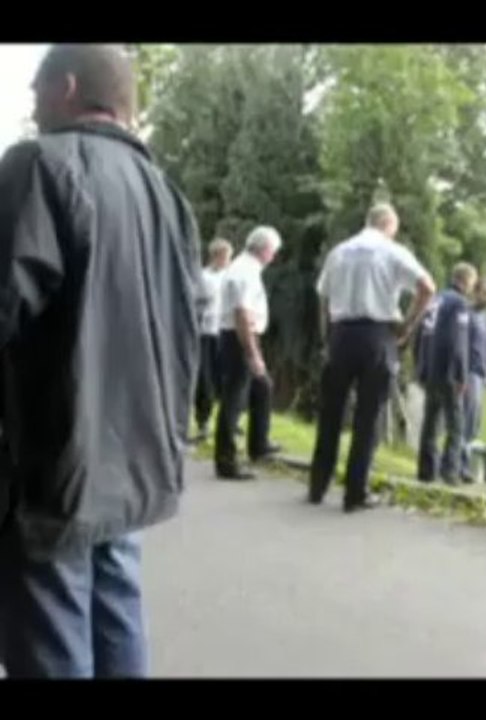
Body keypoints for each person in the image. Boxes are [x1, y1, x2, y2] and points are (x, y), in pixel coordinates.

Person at [0, 45, 201, 678]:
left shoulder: (39, 165)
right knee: (118, 623)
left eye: (35, 89)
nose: (30, 104)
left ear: (65, 86)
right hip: (134, 461)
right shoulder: (168, 197)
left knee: (51, 643)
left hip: (50, 463)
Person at [309, 203, 435, 513]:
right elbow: (427, 287)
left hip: (341, 334)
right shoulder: (392, 251)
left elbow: (323, 296)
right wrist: (406, 326)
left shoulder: (339, 251)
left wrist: (328, 337)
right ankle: (355, 492)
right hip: (376, 334)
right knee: (368, 418)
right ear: (389, 225)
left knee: (331, 414)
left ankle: (318, 484)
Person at [214, 226, 283, 480]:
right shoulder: (245, 271)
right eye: (272, 252)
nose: (273, 257)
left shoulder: (248, 268)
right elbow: (242, 314)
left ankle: (259, 443)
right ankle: (226, 459)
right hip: (239, 338)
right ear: (264, 249)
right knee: (235, 398)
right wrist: (252, 353)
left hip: (242, 335)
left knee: (263, 386)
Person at [417, 263, 478, 485]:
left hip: (430, 367)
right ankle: (449, 471)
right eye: (473, 282)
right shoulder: (460, 304)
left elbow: (422, 335)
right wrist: (461, 375)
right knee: (456, 424)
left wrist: (421, 367)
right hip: (448, 370)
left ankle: (425, 470)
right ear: (467, 281)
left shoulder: (435, 299)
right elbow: (458, 341)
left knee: (430, 421)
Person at [193, 238, 233, 443]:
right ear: (216, 256)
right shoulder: (203, 277)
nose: (228, 261)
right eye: (225, 257)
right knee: (205, 378)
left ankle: (229, 421)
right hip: (205, 332)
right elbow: (195, 303)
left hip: (223, 330)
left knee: (225, 378)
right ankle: (203, 420)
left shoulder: (229, 276)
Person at [459, 277, 486, 483]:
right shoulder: (469, 315)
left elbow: (484, 350)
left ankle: (466, 465)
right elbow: (463, 348)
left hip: (481, 375)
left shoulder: (484, 318)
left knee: (475, 425)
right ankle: (460, 467)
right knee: (466, 422)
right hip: (469, 374)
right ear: (476, 293)